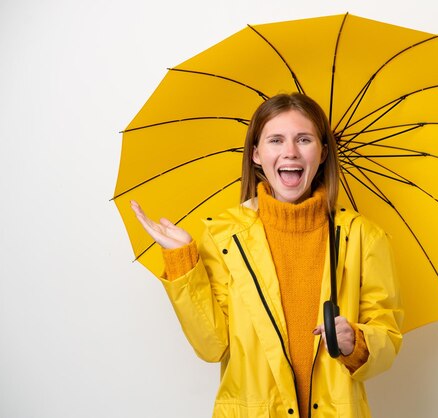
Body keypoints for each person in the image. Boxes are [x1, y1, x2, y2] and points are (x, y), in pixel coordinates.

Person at [131, 93, 403, 418]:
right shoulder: (223, 236)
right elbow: (211, 346)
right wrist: (182, 261)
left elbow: (387, 334)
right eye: (276, 140)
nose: (290, 151)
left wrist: (356, 341)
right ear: (257, 155)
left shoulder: (364, 237)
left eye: (304, 139)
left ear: (323, 152)